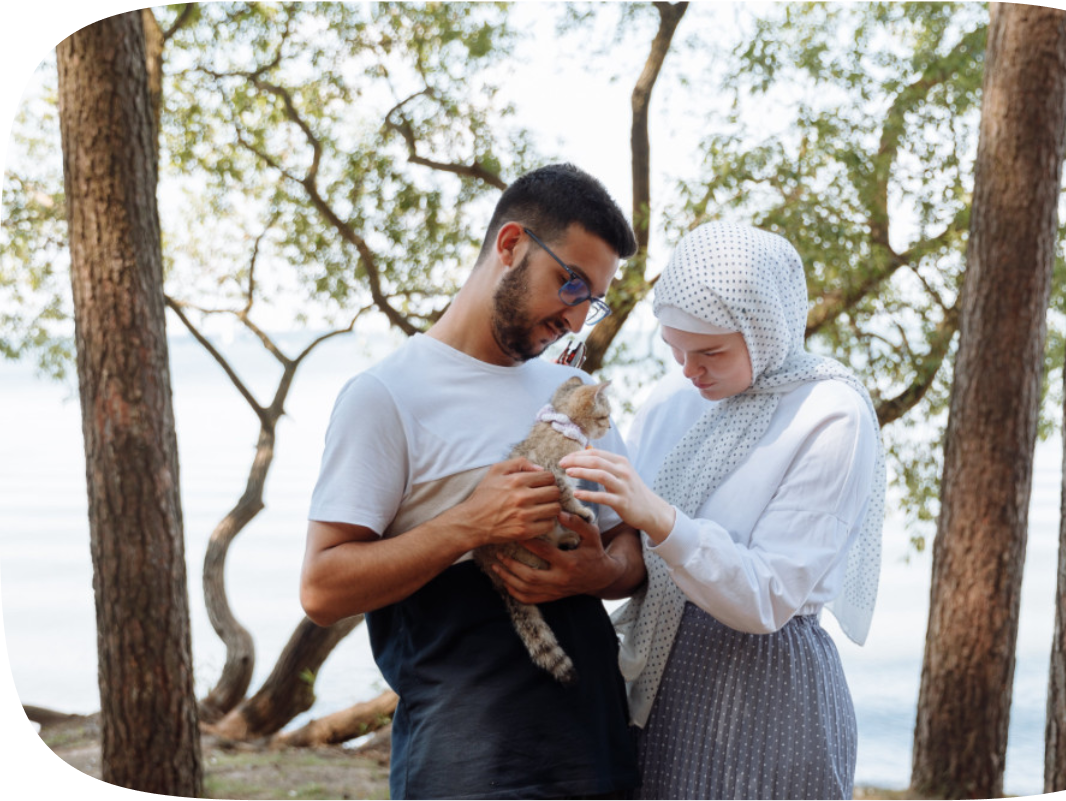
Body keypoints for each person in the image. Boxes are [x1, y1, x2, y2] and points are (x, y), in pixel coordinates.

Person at [301, 164, 646, 801]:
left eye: (590, 300)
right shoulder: (385, 396)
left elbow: (632, 546)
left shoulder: (569, 394)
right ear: (511, 245)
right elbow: (322, 588)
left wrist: (599, 575)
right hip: (467, 764)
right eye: (570, 284)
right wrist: (469, 523)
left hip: (598, 753)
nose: (575, 320)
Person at [556, 221, 886, 800]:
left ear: (764, 330)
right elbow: (632, 550)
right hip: (655, 690)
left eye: (710, 351)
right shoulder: (670, 402)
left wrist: (660, 518)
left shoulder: (830, 413)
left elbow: (769, 597)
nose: (689, 370)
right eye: (675, 348)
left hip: (765, 696)